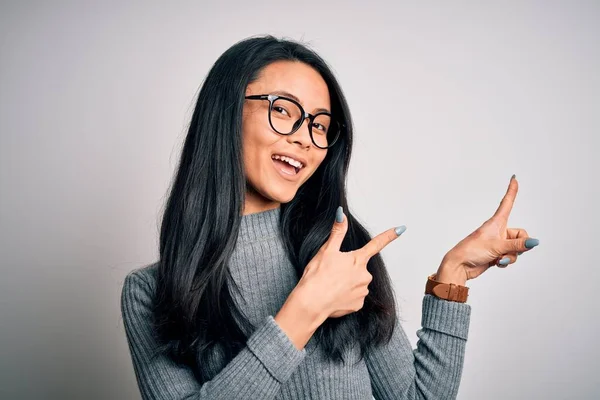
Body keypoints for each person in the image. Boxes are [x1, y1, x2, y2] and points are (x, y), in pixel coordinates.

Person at [120, 35, 540, 399]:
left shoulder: (344, 253)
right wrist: (304, 310)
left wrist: (453, 278)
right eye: (283, 110)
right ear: (225, 112)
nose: (306, 137)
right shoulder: (150, 291)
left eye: (320, 125)